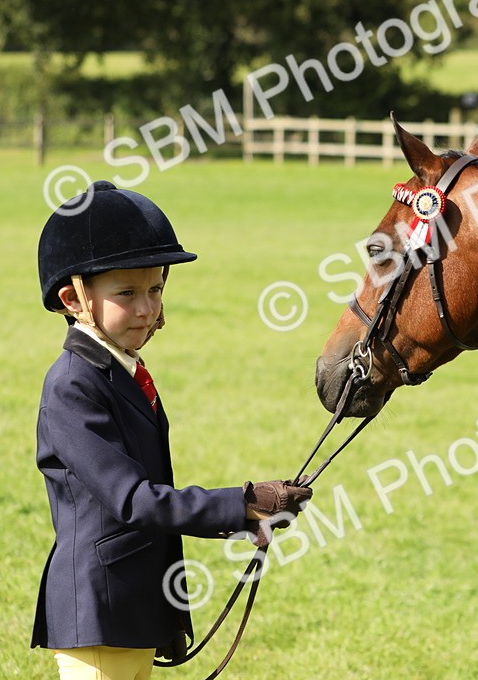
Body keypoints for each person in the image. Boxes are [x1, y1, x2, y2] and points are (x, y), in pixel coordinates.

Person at [32, 180, 312, 680]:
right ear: (73, 297)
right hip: (99, 613)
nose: (146, 308)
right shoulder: (72, 385)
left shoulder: (120, 369)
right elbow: (135, 501)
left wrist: (249, 517)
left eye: (155, 289)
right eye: (127, 293)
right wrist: (241, 503)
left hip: (133, 611)